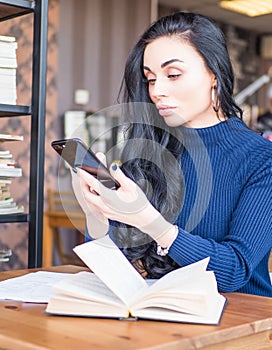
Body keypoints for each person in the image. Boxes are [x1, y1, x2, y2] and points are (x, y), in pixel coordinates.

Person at [70, 12, 272, 297]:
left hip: (243, 322)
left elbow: (233, 271)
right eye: (150, 79)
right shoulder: (149, 150)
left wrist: (150, 222)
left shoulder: (262, 158)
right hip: (164, 314)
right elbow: (117, 264)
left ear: (214, 74)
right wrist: (97, 214)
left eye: (173, 75)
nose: (157, 91)